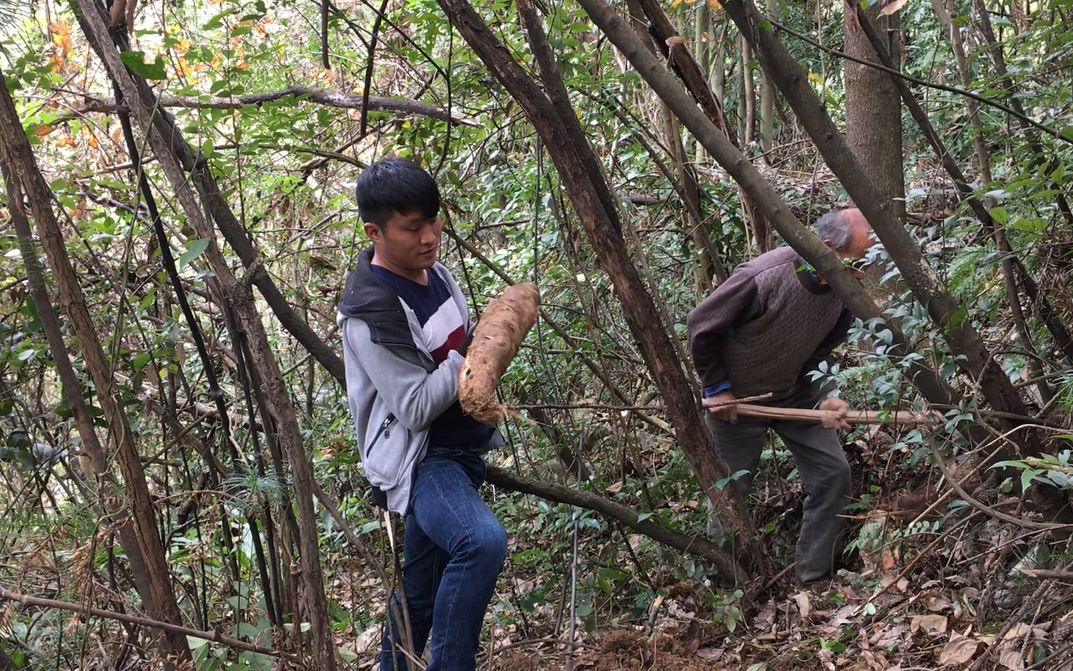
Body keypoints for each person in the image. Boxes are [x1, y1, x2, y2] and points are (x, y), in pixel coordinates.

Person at [338, 157, 507, 671]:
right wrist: (474, 354)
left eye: (434, 221)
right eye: (413, 228)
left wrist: (489, 342)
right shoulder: (371, 315)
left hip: (460, 449)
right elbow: (412, 407)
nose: (430, 236)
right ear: (375, 231)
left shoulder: (437, 274)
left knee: (417, 598)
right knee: (480, 542)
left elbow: (465, 345)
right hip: (425, 460)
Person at [686, 207, 876, 585]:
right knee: (731, 489)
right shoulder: (764, 276)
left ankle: (814, 577)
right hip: (736, 401)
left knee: (833, 476)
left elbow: (821, 353)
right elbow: (701, 326)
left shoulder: (845, 293)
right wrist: (717, 388)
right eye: (855, 261)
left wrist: (827, 395)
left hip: (794, 395)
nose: (860, 272)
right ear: (824, 249)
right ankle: (727, 586)